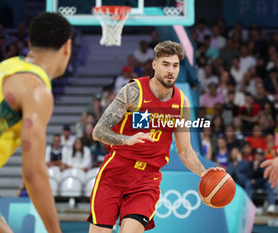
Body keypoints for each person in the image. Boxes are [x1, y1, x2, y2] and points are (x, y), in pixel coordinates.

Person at [88, 41, 222, 233]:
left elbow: (185, 151)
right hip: (115, 173)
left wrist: (205, 172)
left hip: (146, 180)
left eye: (175, 66)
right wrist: (126, 140)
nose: (171, 70)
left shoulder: (182, 103)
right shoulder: (133, 92)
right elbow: (98, 132)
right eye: (165, 64)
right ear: (154, 65)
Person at [0, 12, 72, 233]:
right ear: (67, 48)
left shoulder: (5, 68)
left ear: (29, 43)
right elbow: (33, 172)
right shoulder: (36, 90)